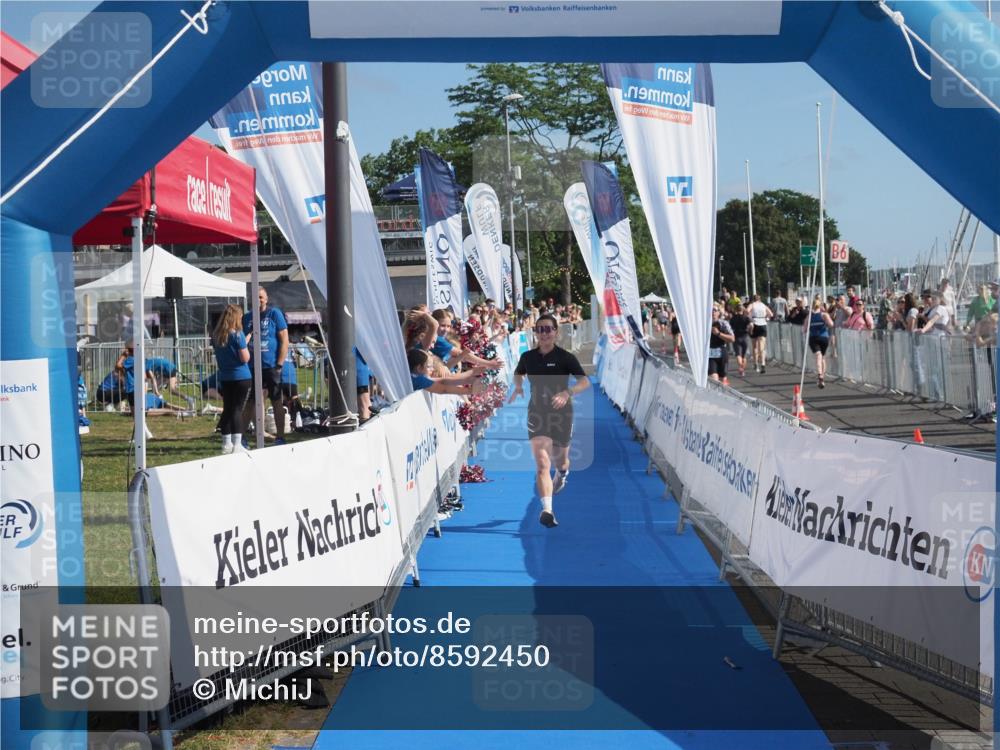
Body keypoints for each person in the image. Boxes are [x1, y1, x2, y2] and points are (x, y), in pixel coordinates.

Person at [508, 314, 590, 529]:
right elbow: (518, 373)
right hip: (537, 413)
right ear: (535, 332)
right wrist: (518, 386)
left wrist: (567, 392)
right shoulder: (528, 357)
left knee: (560, 461)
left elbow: (585, 381)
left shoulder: (565, 357)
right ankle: (547, 510)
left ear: (556, 332)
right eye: (540, 329)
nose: (544, 333)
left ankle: (562, 474)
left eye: (548, 329)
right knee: (543, 464)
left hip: (562, 415)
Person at [242, 287, 289, 446]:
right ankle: (243, 437)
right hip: (252, 367)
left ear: (266, 298)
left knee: (276, 401)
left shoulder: (274, 314)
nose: (259, 300)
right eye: (256, 297)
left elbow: (284, 340)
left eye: (261, 297)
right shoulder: (247, 317)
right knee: (250, 402)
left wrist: (279, 364)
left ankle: (280, 437)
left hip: (271, 366)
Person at [212, 304, 252, 454]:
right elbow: (244, 358)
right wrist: (245, 345)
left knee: (227, 409)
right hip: (241, 377)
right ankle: (237, 444)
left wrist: (244, 342)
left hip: (225, 377)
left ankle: (226, 444)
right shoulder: (237, 334)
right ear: (236, 317)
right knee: (237, 410)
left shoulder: (217, 336)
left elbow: (230, 350)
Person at [407, 348, 484, 395]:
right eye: (429, 367)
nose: (432, 369)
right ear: (419, 368)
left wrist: (470, 376)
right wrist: (469, 391)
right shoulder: (418, 380)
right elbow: (443, 387)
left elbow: (443, 380)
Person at [806, 299, 834, 388]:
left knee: (818, 355)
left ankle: (820, 375)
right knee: (822, 357)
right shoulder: (824, 315)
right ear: (820, 306)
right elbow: (831, 324)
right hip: (823, 337)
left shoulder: (809, 316)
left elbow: (804, 329)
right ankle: (822, 377)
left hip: (814, 338)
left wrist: (811, 326)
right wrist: (824, 322)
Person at [708, 306, 735, 384]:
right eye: (711, 310)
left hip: (722, 353)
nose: (713, 312)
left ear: (719, 313)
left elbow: (732, 339)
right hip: (710, 354)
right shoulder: (704, 324)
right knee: (714, 379)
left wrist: (719, 334)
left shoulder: (723, 323)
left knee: (723, 381)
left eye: (715, 310)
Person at [747, 294, 772, 373]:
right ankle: (763, 364)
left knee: (754, 346)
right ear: (760, 299)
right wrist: (766, 318)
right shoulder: (763, 305)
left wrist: (750, 318)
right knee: (762, 346)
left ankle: (755, 363)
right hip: (763, 324)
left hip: (755, 324)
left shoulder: (752, 305)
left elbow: (747, 311)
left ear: (753, 299)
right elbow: (771, 314)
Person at [729, 304, 752, 377]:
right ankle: (743, 370)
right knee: (744, 356)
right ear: (743, 310)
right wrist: (750, 331)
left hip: (736, 337)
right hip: (745, 337)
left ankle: (740, 367)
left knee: (738, 354)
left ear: (736, 310)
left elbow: (730, 327)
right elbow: (751, 325)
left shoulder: (733, 318)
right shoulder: (746, 318)